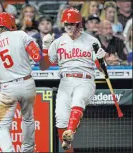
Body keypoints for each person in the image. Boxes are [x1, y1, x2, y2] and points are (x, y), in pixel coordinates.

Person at [39, 8, 106, 152]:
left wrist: (101, 59)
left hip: (85, 79)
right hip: (65, 82)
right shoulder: (58, 42)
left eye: (72, 23)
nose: (69, 26)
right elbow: (43, 66)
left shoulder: (91, 40)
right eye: (66, 23)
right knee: (60, 120)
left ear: (79, 24)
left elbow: (101, 69)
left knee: (78, 99)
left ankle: (71, 131)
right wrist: (45, 48)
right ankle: (68, 142)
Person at [0, 12, 42, 152]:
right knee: (28, 119)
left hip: (7, 87)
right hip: (27, 83)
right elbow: (37, 56)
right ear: (11, 24)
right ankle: (27, 150)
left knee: (3, 127)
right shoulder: (21, 35)